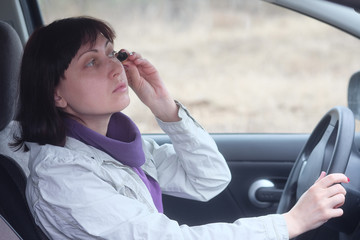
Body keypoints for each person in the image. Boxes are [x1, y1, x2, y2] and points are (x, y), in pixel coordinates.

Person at [14, 16, 348, 240]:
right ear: (55, 93)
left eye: (111, 53)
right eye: (91, 61)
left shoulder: (114, 145)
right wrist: (289, 223)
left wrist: (164, 106)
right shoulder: (62, 176)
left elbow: (209, 178)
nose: (115, 68)